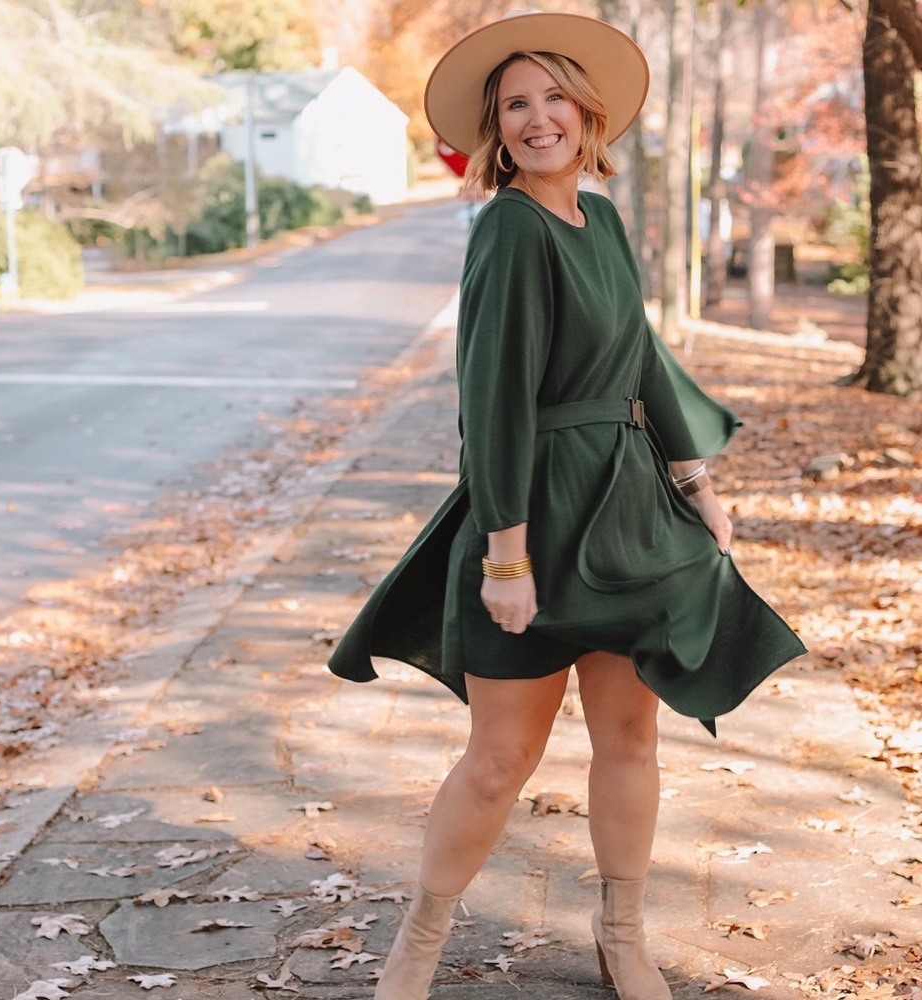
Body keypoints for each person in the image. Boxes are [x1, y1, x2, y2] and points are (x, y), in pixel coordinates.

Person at [328, 12, 806, 1000]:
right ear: (496, 133)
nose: (537, 118)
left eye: (553, 98)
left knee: (630, 735)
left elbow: (643, 360)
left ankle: (621, 932)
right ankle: (418, 940)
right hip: (533, 516)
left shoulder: (605, 217)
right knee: (501, 757)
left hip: (624, 512)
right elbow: (492, 393)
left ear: (586, 116)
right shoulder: (508, 226)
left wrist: (696, 482)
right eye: (515, 105)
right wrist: (505, 554)